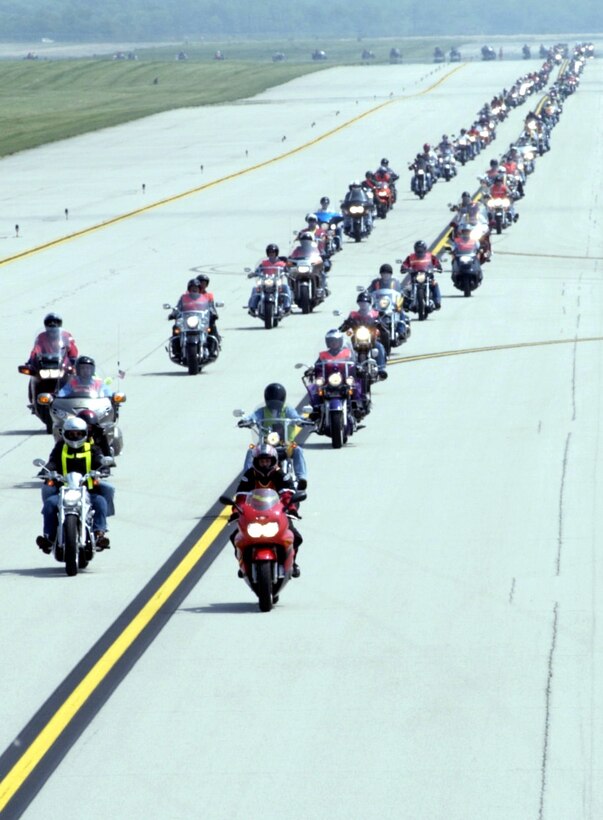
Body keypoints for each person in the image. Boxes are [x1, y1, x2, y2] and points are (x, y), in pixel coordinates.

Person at [36, 417, 111, 553]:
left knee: (100, 502)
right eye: (71, 434)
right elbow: (52, 462)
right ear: (65, 434)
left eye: (78, 434)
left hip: (87, 492)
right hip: (63, 491)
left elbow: (100, 460)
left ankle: (100, 534)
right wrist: (45, 470)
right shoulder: (60, 448)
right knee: (49, 504)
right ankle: (49, 538)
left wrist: (103, 468)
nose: (75, 437)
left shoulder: (93, 448)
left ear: (84, 434)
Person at [233, 444, 302, 577]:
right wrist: (236, 511)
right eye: (261, 461)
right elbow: (241, 496)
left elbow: (287, 494)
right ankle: (243, 563)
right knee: (235, 537)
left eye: (267, 461)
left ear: (273, 461)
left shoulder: (280, 474)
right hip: (253, 514)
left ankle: (292, 563)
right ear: (256, 461)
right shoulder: (249, 475)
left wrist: (291, 509)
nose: (264, 464)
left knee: (296, 537)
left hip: (277, 514)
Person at [238, 383, 310, 490]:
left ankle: (301, 478)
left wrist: (301, 420)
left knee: (298, 450)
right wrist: (246, 420)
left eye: (277, 400)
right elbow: (253, 416)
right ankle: (247, 477)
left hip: (285, 444)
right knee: (251, 451)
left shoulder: (288, 410)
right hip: (265, 444)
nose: (274, 403)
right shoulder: (262, 411)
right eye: (272, 400)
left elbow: (295, 417)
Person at [339, 292, 388, 378]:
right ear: (358, 303)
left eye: (365, 302)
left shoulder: (375, 314)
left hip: (371, 339)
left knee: (379, 346)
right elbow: (343, 328)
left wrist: (379, 323)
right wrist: (346, 324)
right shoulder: (353, 315)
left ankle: (381, 368)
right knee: (346, 349)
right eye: (361, 302)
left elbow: (383, 327)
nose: (363, 304)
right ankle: (344, 370)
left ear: (369, 303)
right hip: (356, 340)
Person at [170, 276, 221, 351]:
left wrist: (213, 313)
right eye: (192, 288)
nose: (194, 289)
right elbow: (179, 306)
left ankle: (212, 348)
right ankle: (176, 349)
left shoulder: (206, 297)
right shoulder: (184, 297)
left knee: (211, 327)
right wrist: (174, 313)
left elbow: (210, 306)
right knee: (176, 327)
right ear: (189, 289)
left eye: (196, 288)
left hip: (201, 318)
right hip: (187, 319)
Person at [248, 244, 292, 315]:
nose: (271, 254)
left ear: (276, 253)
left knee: (286, 288)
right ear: (267, 253)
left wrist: (288, 273)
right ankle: (252, 307)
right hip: (265, 282)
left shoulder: (281, 264)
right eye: (270, 252)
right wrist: (253, 274)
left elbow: (287, 270)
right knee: (255, 289)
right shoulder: (264, 263)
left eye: (273, 252)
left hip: (277, 283)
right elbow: (258, 270)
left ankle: (287, 306)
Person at [400, 240, 442, 309]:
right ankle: (407, 303)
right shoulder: (411, 257)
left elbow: (436, 263)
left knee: (435, 284)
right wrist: (404, 268)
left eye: (421, 249)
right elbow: (405, 264)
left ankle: (437, 301)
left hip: (428, 276)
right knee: (406, 289)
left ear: (424, 249)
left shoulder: (430, 256)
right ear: (415, 249)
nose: (419, 250)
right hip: (415, 277)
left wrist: (438, 267)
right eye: (418, 249)